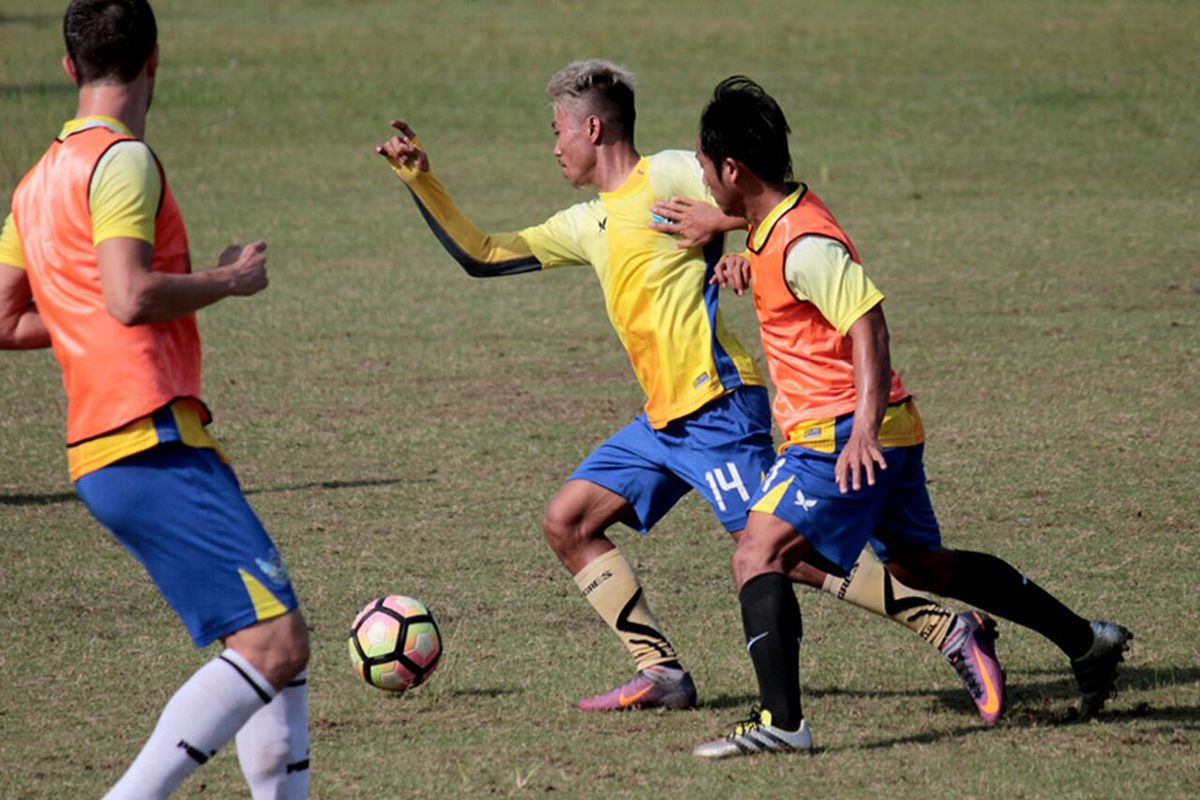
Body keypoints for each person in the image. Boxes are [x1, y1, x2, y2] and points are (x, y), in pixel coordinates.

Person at [375, 59, 1005, 720]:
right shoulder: (584, 224)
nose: (553, 144)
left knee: (780, 556)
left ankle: (948, 630)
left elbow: (763, 199)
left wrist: (723, 228)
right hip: (662, 425)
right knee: (568, 522)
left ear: (593, 128)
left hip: (721, 407)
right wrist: (421, 179)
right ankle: (661, 672)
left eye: (558, 129)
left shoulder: (673, 172)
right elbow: (484, 253)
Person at [687, 75, 1132, 758]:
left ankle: (782, 724)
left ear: (732, 169)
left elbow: (868, 324)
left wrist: (860, 428)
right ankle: (1087, 642)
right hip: (885, 426)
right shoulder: (777, 225)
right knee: (924, 567)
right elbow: (769, 242)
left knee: (758, 554)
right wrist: (743, 254)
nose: (699, 176)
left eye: (703, 164)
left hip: (844, 432)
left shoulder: (805, 245)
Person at [0, 2, 310, 795]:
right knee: (275, 645)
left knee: (272, 636)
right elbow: (131, 296)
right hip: (145, 436)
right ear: (155, 60)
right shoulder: (123, 161)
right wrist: (229, 280)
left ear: (69, 69)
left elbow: (7, 319)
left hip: (113, 450)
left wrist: (83, 313)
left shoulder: (34, 185)